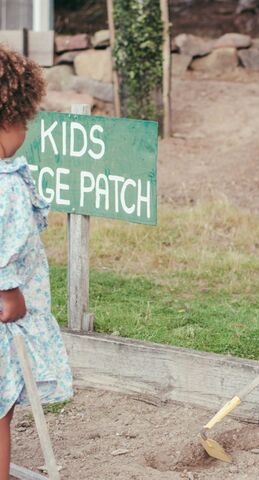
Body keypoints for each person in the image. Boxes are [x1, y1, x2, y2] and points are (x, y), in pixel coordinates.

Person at [0, 45, 73, 479]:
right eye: (24, 120)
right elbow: (5, 241)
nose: (27, 130)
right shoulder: (5, 185)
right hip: (5, 307)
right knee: (0, 404)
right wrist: (8, 292)